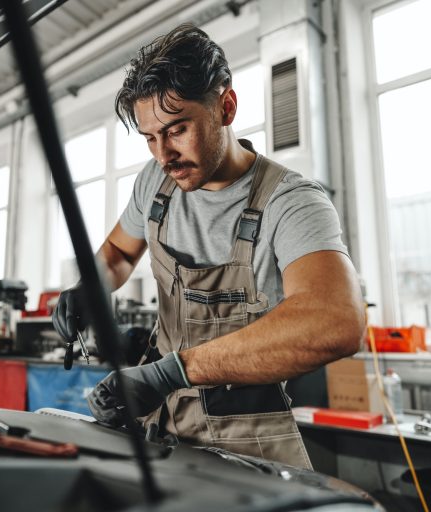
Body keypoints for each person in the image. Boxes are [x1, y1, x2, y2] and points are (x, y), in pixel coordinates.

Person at [52, 24, 365, 468]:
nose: (164, 154)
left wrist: (171, 371)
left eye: (177, 129)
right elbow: (119, 254)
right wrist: (90, 287)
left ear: (226, 107)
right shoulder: (155, 182)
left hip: (248, 444)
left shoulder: (291, 202)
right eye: (149, 138)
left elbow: (337, 322)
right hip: (162, 429)